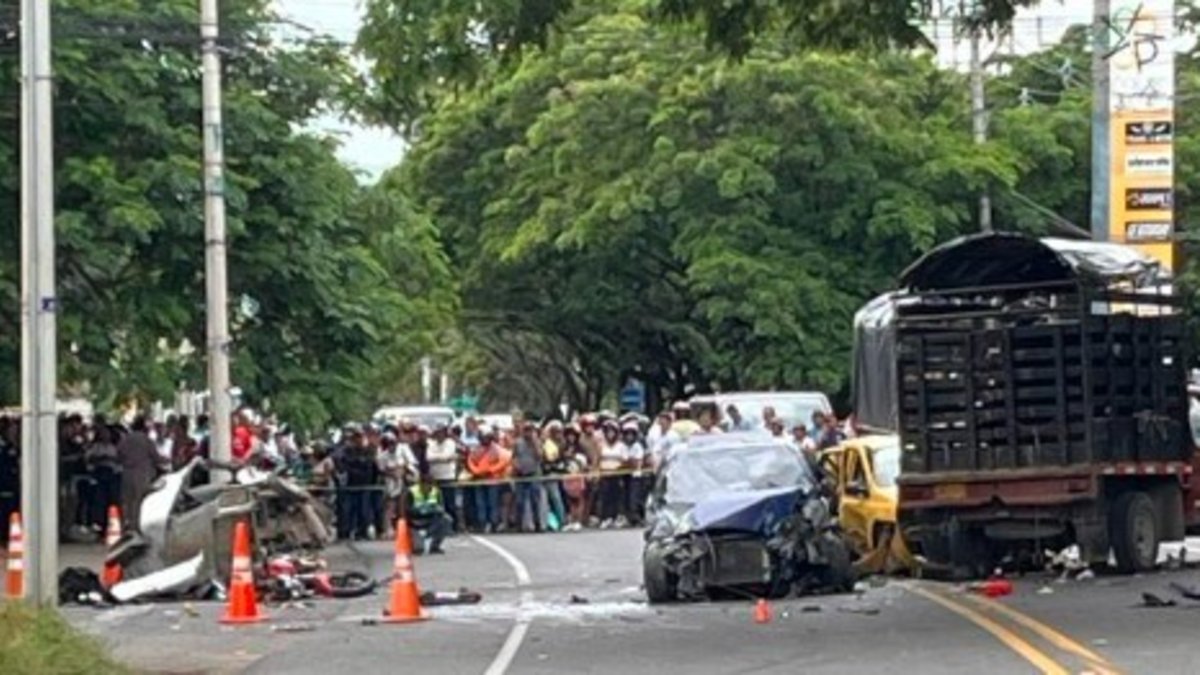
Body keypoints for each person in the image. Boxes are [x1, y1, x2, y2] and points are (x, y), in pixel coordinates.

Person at [117, 416, 167, 529]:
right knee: (139, 501)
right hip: (142, 473)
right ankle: (137, 526)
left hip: (127, 472)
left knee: (127, 501)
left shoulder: (125, 439)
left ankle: (127, 524)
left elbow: (118, 455)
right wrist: (166, 460)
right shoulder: (146, 440)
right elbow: (156, 458)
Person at [467, 428, 509, 532]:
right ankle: (483, 522)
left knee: (492, 502)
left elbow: (504, 461)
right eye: (482, 437)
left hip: (493, 479)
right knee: (480, 502)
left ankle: (493, 522)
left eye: (486, 437)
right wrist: (477, 472)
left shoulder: (497, 449)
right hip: (479, 479)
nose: (484, 439)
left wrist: (491, 470)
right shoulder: (476, 449)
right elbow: (470, 461)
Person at [426, 424, 461, 532]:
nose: (439, 435)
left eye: (441, 432)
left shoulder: (450, 443)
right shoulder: (431, 444)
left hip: (447, 477)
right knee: (436, 504)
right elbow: (428, 457)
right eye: (437, 433)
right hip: (435, 477)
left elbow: (447, 455)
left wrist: (438, 458)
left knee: (449, 504)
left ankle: (453, 527)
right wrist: (442, 458)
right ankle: (438, 528)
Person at [406, 473, 451, 555]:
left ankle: (434, 546)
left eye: (430, 484)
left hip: (432, 519)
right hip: (415, 520)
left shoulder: (437, 491)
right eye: (426, 484)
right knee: (418, 550)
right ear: (421, 484)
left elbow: (441, 508)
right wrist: (420, 510)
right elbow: (407, 509)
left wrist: (434, 510)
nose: (428, 487)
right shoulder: (411, 491)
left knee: (446, 519)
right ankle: (419, 541)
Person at [511, 422, 544, 533]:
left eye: (530, 430)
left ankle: (537, 524)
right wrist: (516, 466)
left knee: (535, 500)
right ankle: (519, 525)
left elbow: (540, 457)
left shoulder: (537, 442)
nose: (528, 433)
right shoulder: (517, 443)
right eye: (526, 430)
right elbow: (514, 457)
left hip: (533, 473)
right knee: (519, 501)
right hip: (520, 474)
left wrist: (534, 444)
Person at [540, 421, 568, 531]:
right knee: (545, 500)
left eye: (559, 432)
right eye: (555, 432)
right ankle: (548, 522)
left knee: (556, 498)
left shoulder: (560, 444)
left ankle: (562, 521)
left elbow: (555, 459)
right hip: (544, 474)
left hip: (553, 474)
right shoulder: (546, 443)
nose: (558, 435)